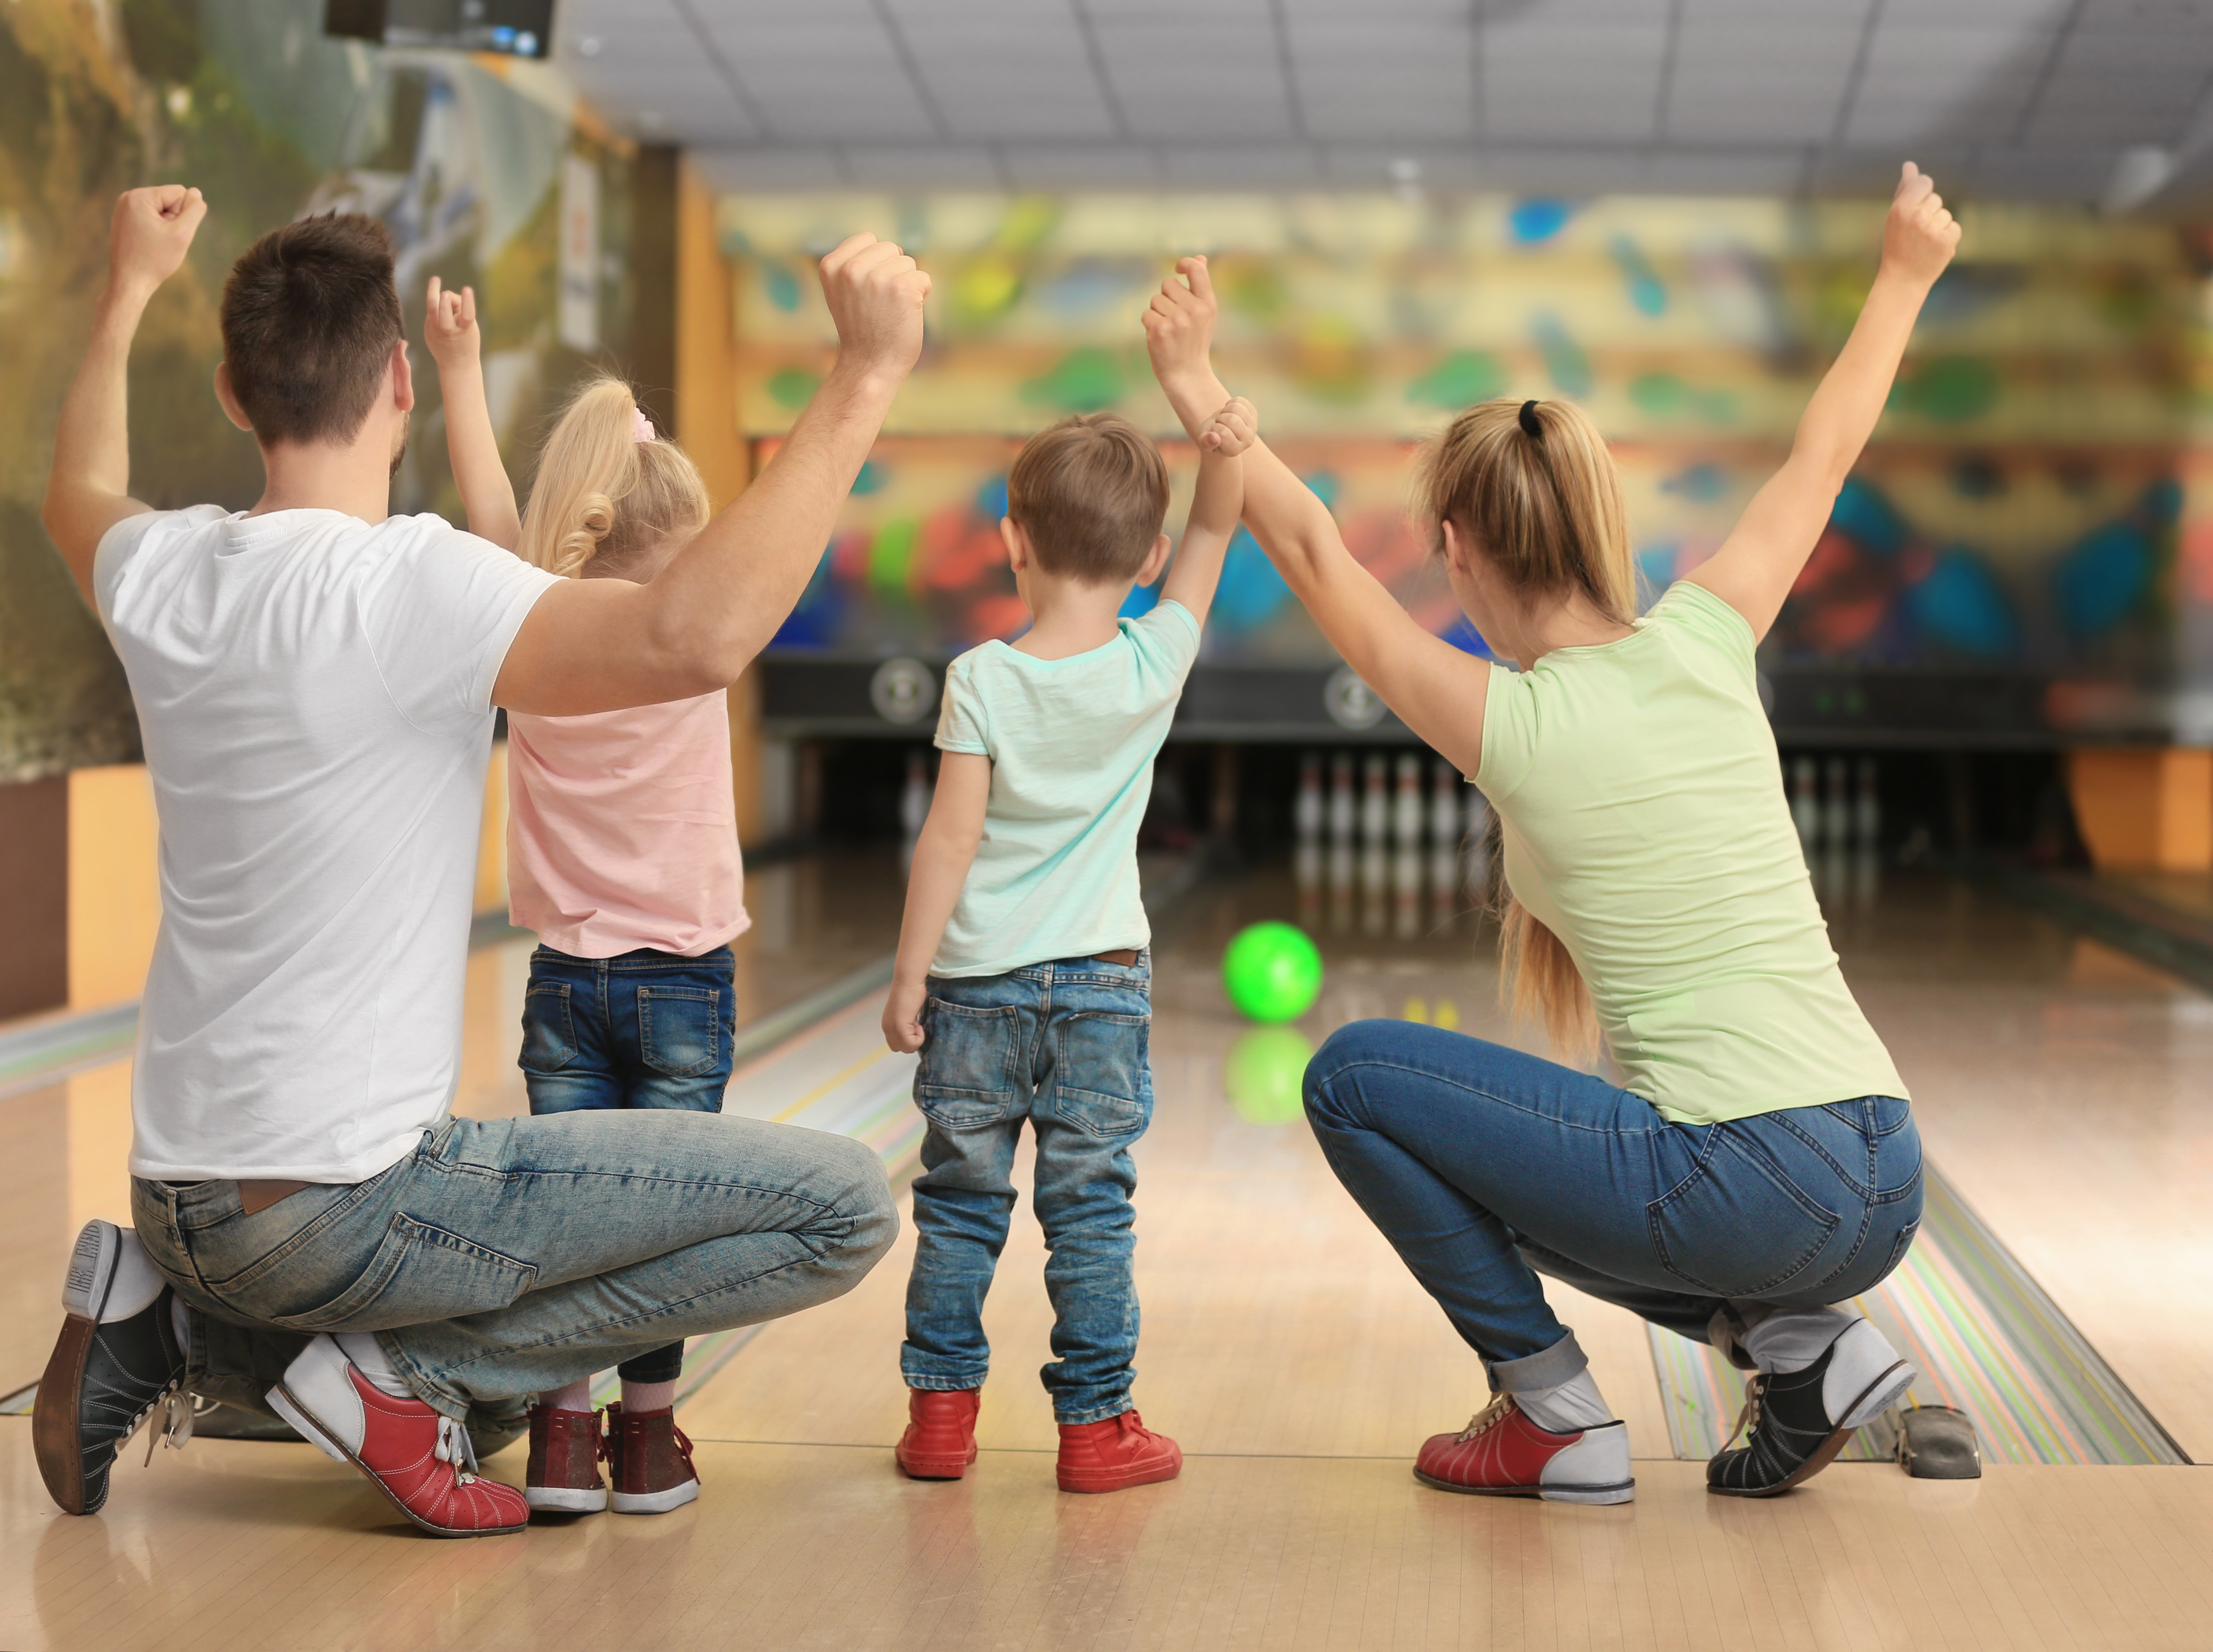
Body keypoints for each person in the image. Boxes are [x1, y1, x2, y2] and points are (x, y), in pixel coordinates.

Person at [33, 186, 927, 1537]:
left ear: (232, 392)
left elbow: (74, 489)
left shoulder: (167, 570)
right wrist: (867, 371)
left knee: (514, 1391)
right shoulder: (420, 585)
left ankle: (156, 1327)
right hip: (347, 1207)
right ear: (401, 380)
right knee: (846, 1207)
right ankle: (405, 1380)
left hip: (177, 1197)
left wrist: (123, 290)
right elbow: (692, 639)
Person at [1140, 166, 1960, 1504]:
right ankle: (1802, 1347)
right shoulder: (1708, 629)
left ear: (1457, 547)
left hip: (1746, 1179)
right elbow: (1825, 453)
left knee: (1353, 1079)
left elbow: (1305, 549)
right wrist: (1905, 275)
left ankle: (1555, 1411)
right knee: (1537, 1157)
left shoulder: (1509, 722)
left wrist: (1196, 387)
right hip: (1885, 1159)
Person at [879, 399, 1254, 1493]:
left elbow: (948, 840)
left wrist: (909, 976)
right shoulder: (1152, 664)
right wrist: (1223, 452)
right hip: (1104, 991)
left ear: (1012, 539)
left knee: (958, 1207)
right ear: (1145, 554)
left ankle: (942, 1420)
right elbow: (1215, 536)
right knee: (1090, 1212)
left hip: (975, 991)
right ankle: (1096, 1429)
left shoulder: (980, 680)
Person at [421, 279, 750, 1517]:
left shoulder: (533, 631)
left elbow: (499, 517)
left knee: (565, 1211)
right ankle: (648, 1442)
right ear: (692, 554)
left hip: (563, 978)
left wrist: (462, 369)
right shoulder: (695, 633)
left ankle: (560, 1442)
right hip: (683, 978)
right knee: (661, 1222)